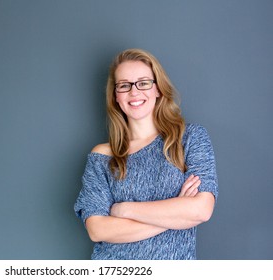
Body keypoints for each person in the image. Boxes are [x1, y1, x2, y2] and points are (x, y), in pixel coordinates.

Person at [74, 48, 218, 260]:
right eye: (124, 85)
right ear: (115, 96)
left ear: (158, 88)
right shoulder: (102, 156)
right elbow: (98, 230)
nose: (134, 92)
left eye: (143, 83)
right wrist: (176, 213)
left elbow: (201, 211)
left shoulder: (190, 138)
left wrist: (123, 209)